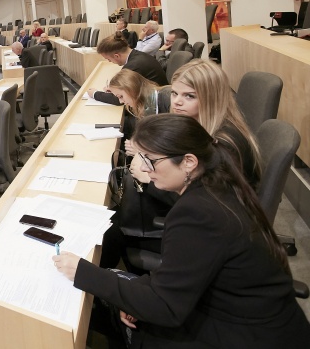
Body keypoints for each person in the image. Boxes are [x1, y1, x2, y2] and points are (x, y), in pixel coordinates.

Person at [54, 114, 310, 348]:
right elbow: (182, 272)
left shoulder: (197, 213)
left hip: (247, 334)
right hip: (247, 316)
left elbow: (165, 306)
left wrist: (83, 272)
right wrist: (132, 297)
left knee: (104, 306)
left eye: (150, 160)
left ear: (189, 162)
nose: (142, 169)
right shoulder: (218, 183)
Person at [168, 59, 261, 188]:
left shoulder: (223, 143)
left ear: (211, 99)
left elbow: (209, 194)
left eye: (189, 96)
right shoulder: (198, 125)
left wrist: (148, 176)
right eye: (174, 93)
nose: (177, 101)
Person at [88, 33, 168, 105]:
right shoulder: (138, 55)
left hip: (153, 106)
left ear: (116, 56)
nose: (109, 61)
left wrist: (95, 94)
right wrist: (115, 89)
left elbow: (118, 99)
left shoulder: (133, 67)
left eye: (108, 59)